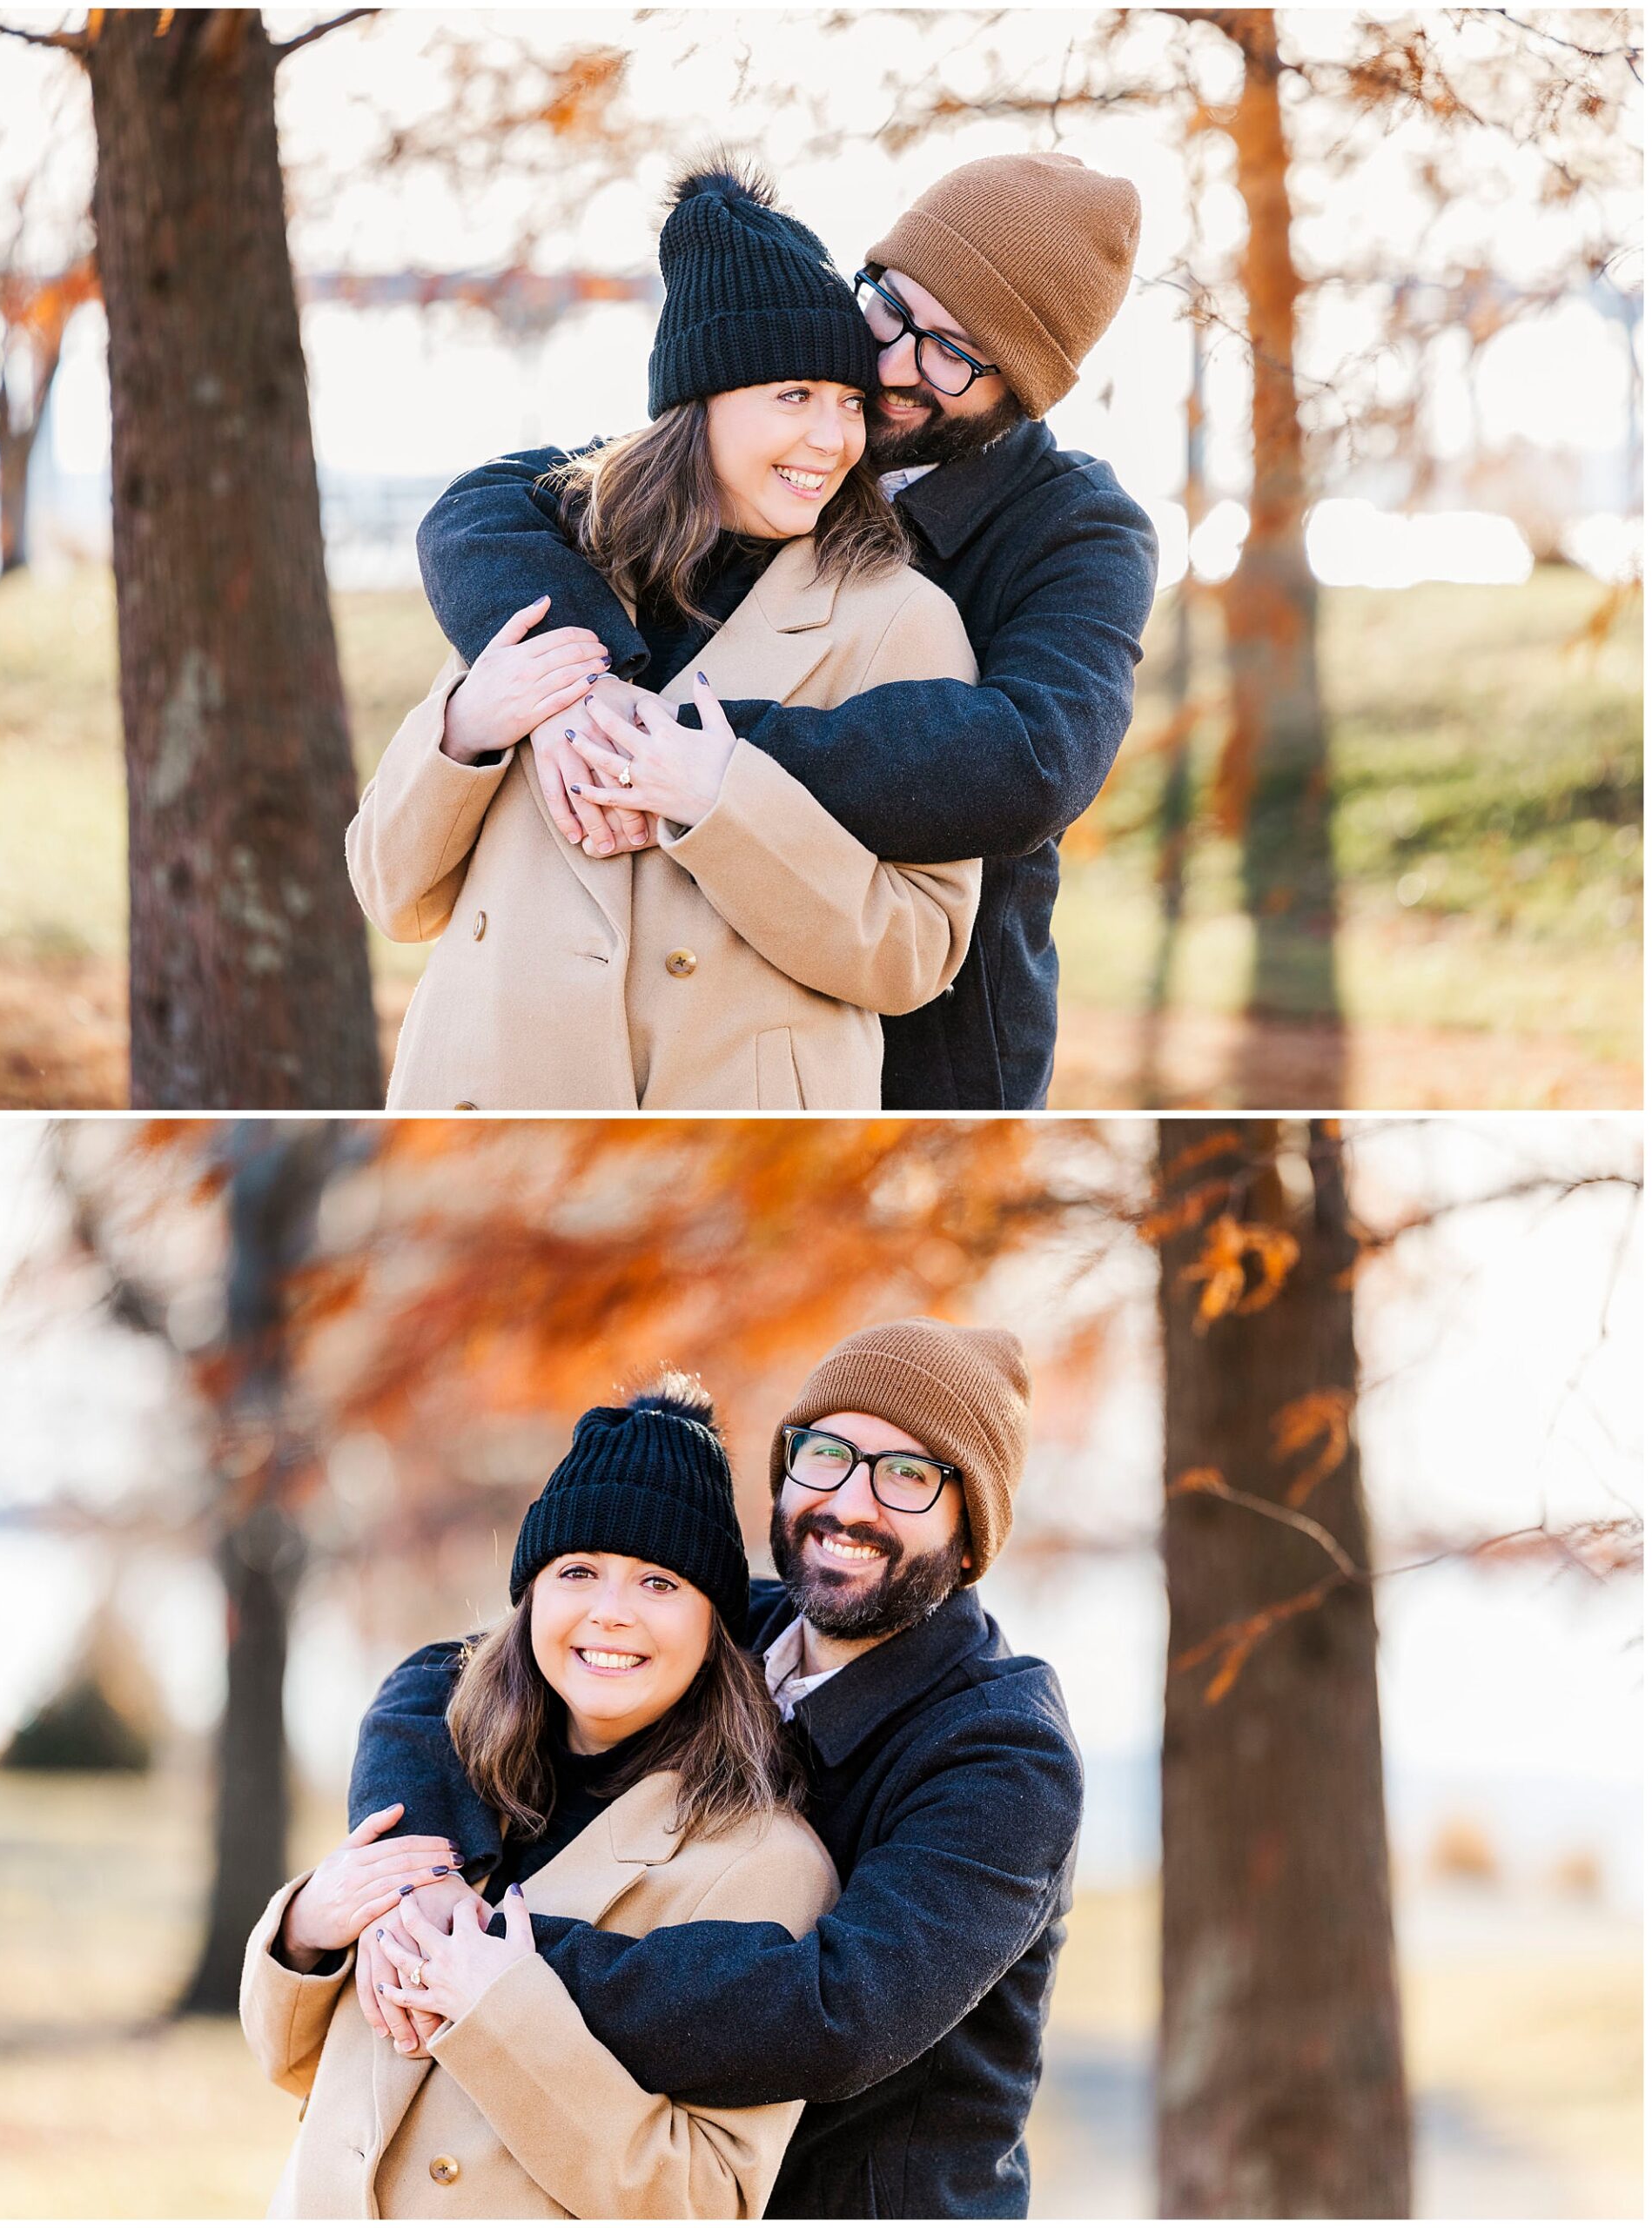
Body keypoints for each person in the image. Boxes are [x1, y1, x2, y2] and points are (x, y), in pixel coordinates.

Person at [416, 151, 1160, 1111]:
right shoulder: (804, 424)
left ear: (1023, 387)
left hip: (934, 1043)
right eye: (891, 306)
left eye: (954, 353)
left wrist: (696, 755)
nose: (892, 366)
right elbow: (486, 508)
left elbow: (1034, 761)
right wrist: (577, 697)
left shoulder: (1079, 528)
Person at [348, 1319, 1085, 2219]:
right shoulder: (735, 1632)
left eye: (908, 1474)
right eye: (827, 1454)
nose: (851, 1504)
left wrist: (498, 1954)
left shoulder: (1005, 1753)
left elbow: (836, 2014)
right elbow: (441, 1680)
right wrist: (425, 1879)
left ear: (972, 1541)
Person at [349, 159, 980, 1111]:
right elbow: (393, 896)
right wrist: (469, 727)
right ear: (703, 398)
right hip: (483, 1108)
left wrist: (722, 805)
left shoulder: (900, 622)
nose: (833, 438)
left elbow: (919, 951)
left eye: (850, 402)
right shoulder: (557, 572)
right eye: (795, 395)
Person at [238, 1382, 837, 2218]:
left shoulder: (761, 1864)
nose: (610, 1613)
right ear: (529, 1599)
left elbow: (709, 2199)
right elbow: (303, 2072)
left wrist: (501, 2011)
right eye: (579, 1571)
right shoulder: (446, 1775)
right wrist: (307, 1934)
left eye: (660, 1584)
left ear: (714, 1627)